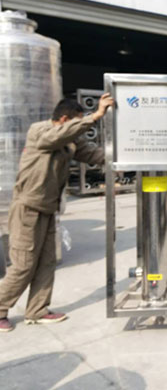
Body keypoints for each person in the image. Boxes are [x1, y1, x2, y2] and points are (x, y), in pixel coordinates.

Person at [0, 93, 114, 332]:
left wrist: (128, 157)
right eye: (77, 123)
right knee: (23, 264)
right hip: (27, 208)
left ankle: (37, 310)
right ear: (64, 120)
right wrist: (95, 116)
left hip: (48, 209)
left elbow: (94, 154)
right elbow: (57, 136)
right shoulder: (40, 131)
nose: (79, 130)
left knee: (46, 262)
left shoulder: (71, 141)